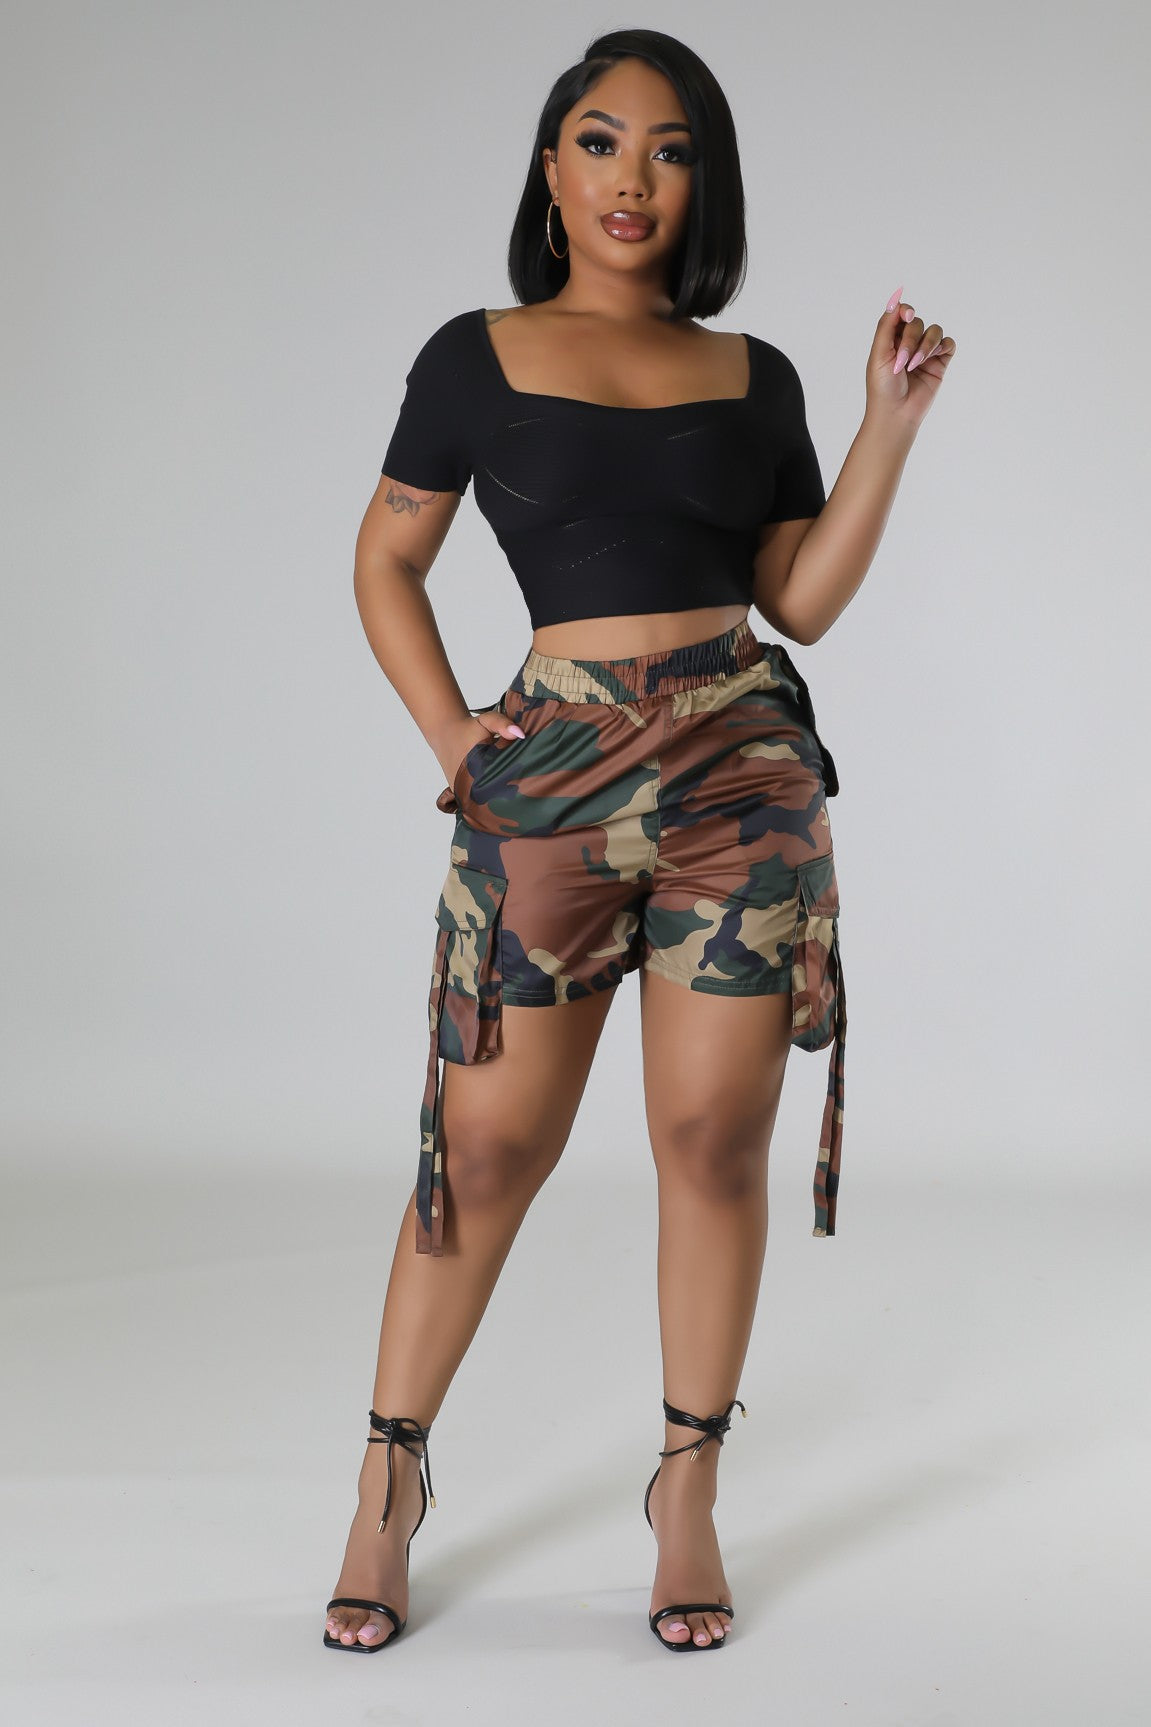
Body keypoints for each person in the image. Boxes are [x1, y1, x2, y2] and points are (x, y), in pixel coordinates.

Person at [323, 26, 955, 1657]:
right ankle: (386, 1487)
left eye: (670, 152)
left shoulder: (757, 378)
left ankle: (687, 1493)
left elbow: (798, 596)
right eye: (600, 143)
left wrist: (886, 425)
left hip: (741, 777)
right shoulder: (474, 358)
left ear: (704, 184)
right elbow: (384, 564)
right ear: (550, 168)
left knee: (712, 1140)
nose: (632, 179)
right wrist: (454, 735)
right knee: (486, 1149)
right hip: (553, 777)